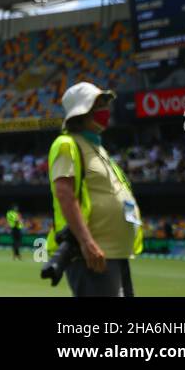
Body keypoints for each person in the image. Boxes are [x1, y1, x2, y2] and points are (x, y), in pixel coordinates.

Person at [45, 82, 143, 297]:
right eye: (98, 105)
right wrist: (86, 242)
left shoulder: (97, 148)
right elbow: (65, 194)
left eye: (105, 104)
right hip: (92, 253)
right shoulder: (66, 144)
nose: (105, 110)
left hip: (116, 251)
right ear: (82, 112)